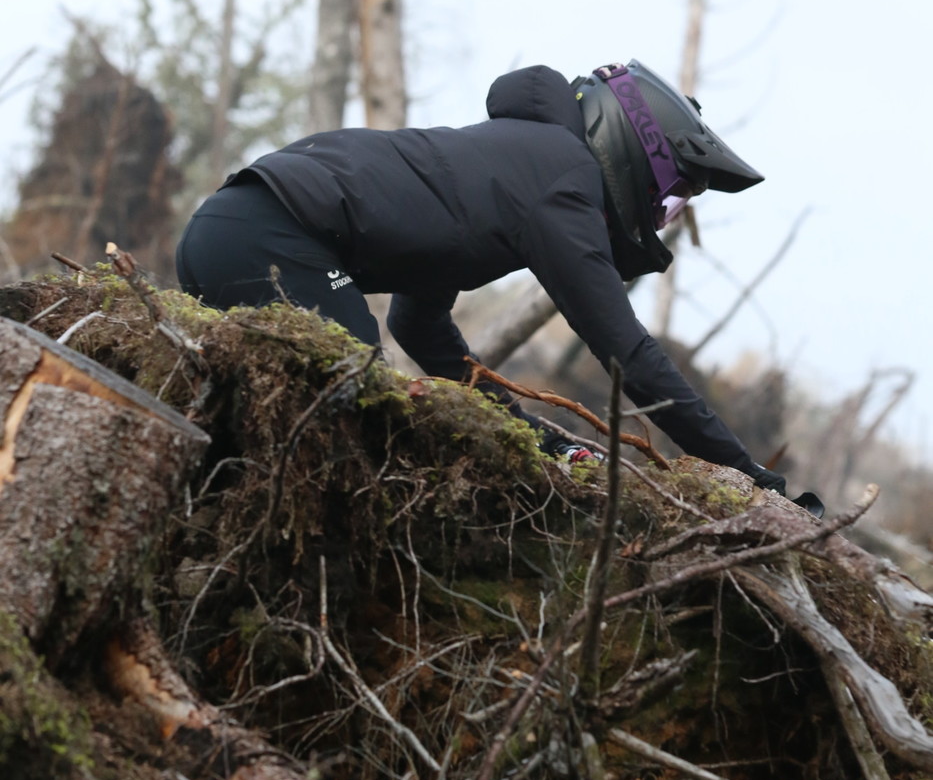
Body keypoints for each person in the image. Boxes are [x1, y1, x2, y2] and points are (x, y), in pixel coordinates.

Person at [175, 59, 787, 492]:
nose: (661, 215)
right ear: (638, 148)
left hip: (226, 230)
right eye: (669, 198)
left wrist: (533, 437)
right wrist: (749, 476)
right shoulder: (564, 179)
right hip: (271, 236)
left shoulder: (503, 168)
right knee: (358, 422)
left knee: (253, 436)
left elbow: (421, 327)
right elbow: (627, 352)